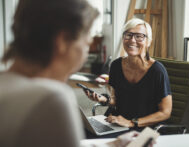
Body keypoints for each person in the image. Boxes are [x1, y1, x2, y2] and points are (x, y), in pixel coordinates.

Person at [0, 0, 139, 146]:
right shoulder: (51, 98)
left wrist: (112, 144)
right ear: (63, 40)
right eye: (86, 43)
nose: (85, 55)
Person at [85, 18, 172, 130]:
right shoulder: (116, 65)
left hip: (144, 127)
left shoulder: (158, 71)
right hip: (117, 122)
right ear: (123, 38)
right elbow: (117, 100)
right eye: (128, 35)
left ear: (148, 42)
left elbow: (165, 112)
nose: (132, 40)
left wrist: (131, 122)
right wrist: (103, 99)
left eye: (139, 36)